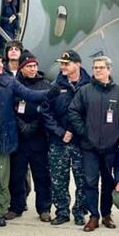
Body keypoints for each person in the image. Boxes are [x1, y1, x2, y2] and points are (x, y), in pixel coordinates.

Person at [0, 50, 59, 226]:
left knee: (1, 178)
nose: (2, 65)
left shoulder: (8, 82)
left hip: (1, 140)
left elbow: (28, 94)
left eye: (1, 61)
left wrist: (48, 94)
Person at [67, 56, 119, 232]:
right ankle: (93, 216)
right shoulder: (85, 91)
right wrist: (84, 131)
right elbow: (73, 111)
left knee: (108, 182)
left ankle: (106, 214)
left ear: (109, 70)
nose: (97, 70)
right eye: (95, 68)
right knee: (90, 182)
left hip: (110, 147)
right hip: (89, 146)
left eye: (101, 68)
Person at [42, 50, 90, 226]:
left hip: (81, 142)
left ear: (77, 64)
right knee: (58, 179)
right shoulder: (55, 86)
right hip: (59, 141)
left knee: (83, 179)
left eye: (66, 64)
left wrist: (77, 132)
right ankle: (62, 211)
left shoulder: (89, 86)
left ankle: (79, 211)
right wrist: (60, 132)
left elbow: (91, 114)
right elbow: (46, 112)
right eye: (61, 63)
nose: (62, 66)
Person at [6, 52, 53, 221]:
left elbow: (47, 110)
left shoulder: (45, 85)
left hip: (38, 138)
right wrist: (22, 126)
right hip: (19, 138)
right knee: (17, 176)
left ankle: (44, 208)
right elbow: (9, 109)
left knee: (41, 175)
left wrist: (33, 126)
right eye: (29, 66)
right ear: (21, 68)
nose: (33, 69)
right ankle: (16, 206)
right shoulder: (14, 85)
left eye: (34, 66)